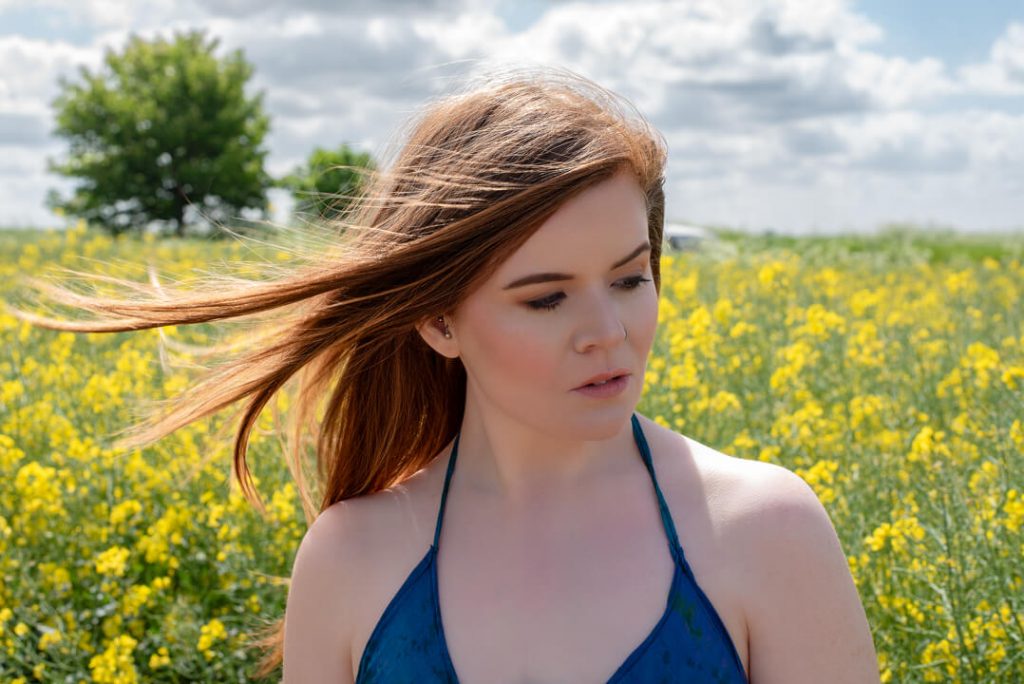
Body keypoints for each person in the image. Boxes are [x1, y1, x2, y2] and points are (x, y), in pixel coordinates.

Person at [11, 64, 880, 683]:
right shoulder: (353, 560)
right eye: (546, 300)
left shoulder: (765, 533)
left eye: (630, 279)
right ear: (436, 319)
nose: (609, 333)